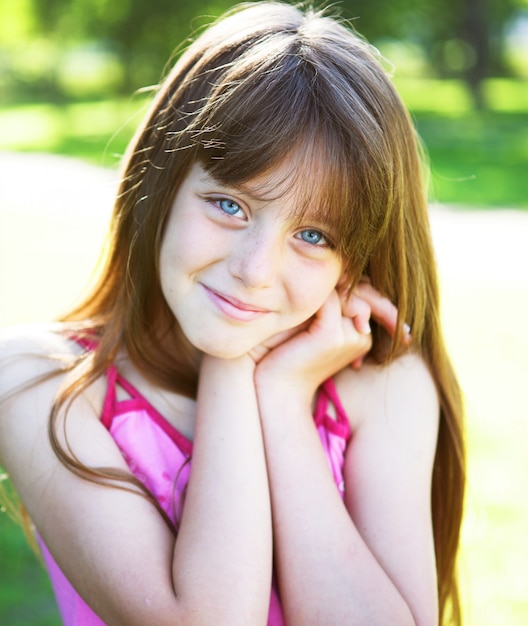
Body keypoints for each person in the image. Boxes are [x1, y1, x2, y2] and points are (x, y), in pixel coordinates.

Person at [0, 2, 465, 625]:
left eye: (315, 237)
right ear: (159, 183)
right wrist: (234, 364)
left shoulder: (382, 385)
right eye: (228, 205)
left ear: (355, 263)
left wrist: (279, 397)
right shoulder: (41, 382)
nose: (255, 269)